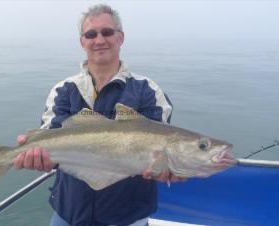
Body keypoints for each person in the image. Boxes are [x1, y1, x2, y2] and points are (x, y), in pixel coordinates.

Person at [14, 4, 185, 226]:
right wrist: (38, 157)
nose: (99, 40)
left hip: (128, 218)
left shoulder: (148, 91)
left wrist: (166, 169)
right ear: (82, 42)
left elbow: (159, 146)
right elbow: (51, 137)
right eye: (91, 34)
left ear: (120, 38)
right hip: (68, 215)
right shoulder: (64, 90)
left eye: (107, 32)